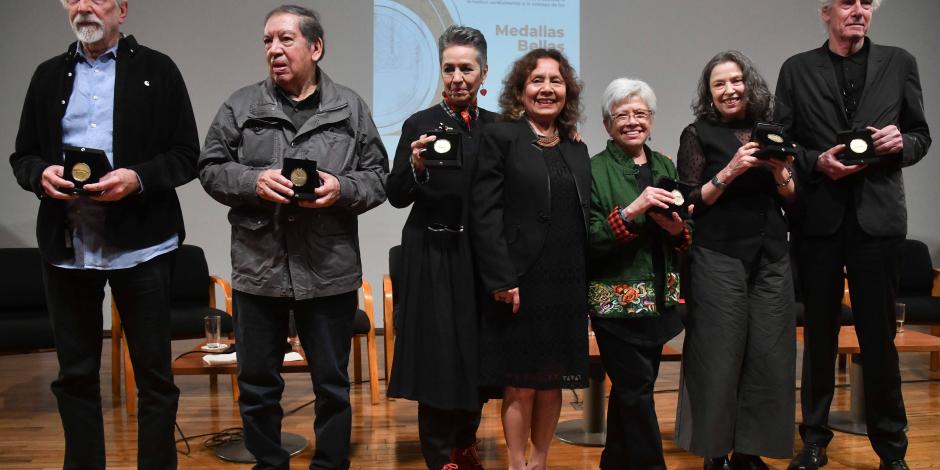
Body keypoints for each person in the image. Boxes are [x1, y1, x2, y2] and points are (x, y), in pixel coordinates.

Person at [9, 0, 199, 468]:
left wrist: (136, 179)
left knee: (154, 378)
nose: (84, 7)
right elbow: (23, 156)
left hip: (144, 248)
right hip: (68, 248)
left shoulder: (158, 70)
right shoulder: (46, 75)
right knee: (74, 376)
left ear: (122, 9)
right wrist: (40, 176)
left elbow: (185, 154)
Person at [198, 5, 388, 469]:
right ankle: (269, 463)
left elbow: (379, 176)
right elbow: (209, 167)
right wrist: (252, 182)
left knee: (332, 386)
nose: (274, 50)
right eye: (267, 41)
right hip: (258, 270)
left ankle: (330, 464)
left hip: (329, 270)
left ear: (315, 47)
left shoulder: (350, 107)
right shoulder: (241, 106)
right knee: (259, 384)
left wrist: (342, 188)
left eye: (285, 39)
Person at [775, 1, 931, 469]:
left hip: (878, 221)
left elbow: (920, 134)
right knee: (819, 336)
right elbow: (781, 142)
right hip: (819, 220)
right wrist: (815, 161)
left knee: (879, 338)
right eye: (848, 2)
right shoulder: (797, 68)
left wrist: (902, 144)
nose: (858, 10)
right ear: (826, 12)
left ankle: (892, 449)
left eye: (867, 2)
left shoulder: (900, 61)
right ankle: (815, 441)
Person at [674, 50, 797, 470]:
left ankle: (749, 450)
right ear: (709, 94)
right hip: (719, 255)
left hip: (772, 255)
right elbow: (690, 201)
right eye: (719, 84)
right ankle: (715, 452)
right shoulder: (697, 133)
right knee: (718, 356)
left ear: (750, 84)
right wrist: (728, 171)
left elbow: (793, 197)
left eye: (736, 81)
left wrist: (781, 172)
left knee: (769, 355)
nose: (730, 90)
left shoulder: (772, 132)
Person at [470, 48, 590, 470]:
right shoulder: (501, 137)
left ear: (566, 91)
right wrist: (501, 277)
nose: (546, 89)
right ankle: (516, 464)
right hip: (520, 279)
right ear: (520, 92)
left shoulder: (577, 148)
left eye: (555, 81)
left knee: (553, 381)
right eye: (537, 81)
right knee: (520, 384)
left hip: (566, 281)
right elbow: (485, 214)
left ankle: (540, 461)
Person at [385, 25, 495, 470]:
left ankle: (464, 443)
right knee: (435, 355)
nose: (457, 77)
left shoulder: (500, 128)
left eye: (466, 68)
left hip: (479, 256)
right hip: (430, 253)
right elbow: (396, 194)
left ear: (483, 71)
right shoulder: (419, 124)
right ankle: (437, 454)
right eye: (449, 68)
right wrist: (415, 165)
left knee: (475, 353)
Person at [587, 78, 689, 470]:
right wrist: (632, 211)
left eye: (640, 114)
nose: (632, 121)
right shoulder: (594, 169)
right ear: (607, 124)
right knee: (636, 390)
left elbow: (686, 232)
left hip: (662, 299)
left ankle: (614, 463)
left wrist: (678, 230)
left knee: (633, 390)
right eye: (622, 115)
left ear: (651, 120)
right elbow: (589, 239)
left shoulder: (664, 164)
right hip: (615, 300)